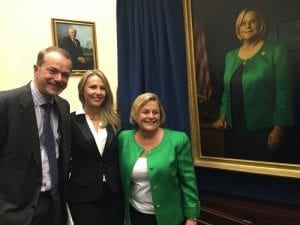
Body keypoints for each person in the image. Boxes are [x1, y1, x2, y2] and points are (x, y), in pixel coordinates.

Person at [0, 46, 72, 225]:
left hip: (55, 208)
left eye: (65, 75)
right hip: (16, 212)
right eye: (52, 71)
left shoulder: (63, 107)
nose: (58, 79)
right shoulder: (5, 104)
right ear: (36, 69)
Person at [213, 8, 294, 161]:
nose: (248, 26)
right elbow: (226, 91)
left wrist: (279, 128)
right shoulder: (230, 56)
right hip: (235, 129)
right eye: (243, 23)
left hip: (265, 129)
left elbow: (284, 91)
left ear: (260, 24)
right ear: (238, 28)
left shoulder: (276, 49)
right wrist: (222, 115)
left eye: (253, 21)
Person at [119, 92, 200, 225]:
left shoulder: (178, 140)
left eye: (155, 112)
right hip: (136, 216)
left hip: (170, 218)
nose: (151, 116)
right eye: (145, 112)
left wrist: (192, 217)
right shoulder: (123, 139)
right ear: (135, 114)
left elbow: (188, 182)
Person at [67, 70, 124, 225]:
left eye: (102, 88)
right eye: (93, 87)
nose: (98, 92)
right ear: (82, 91)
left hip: (113, 193)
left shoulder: (115, 121)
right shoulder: (70, 121)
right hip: (82, 195)